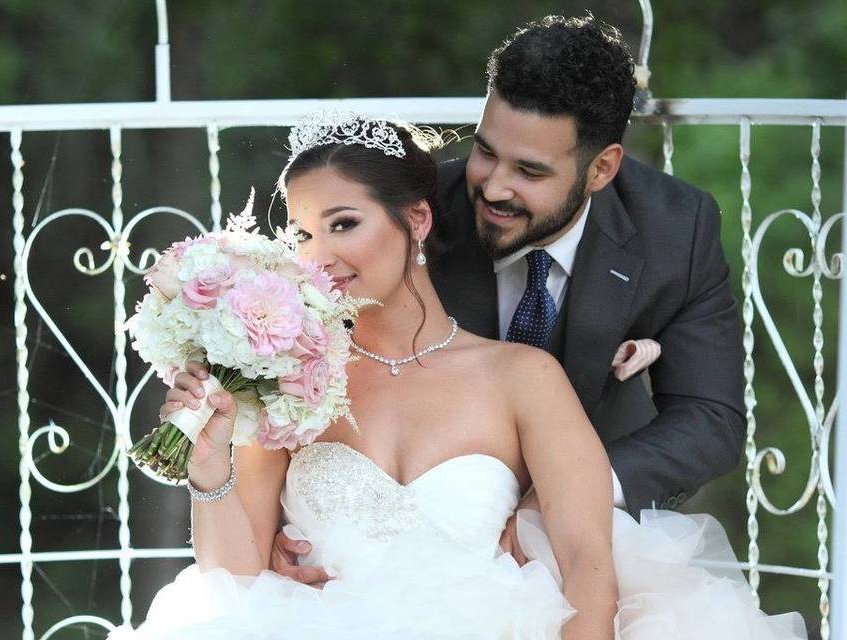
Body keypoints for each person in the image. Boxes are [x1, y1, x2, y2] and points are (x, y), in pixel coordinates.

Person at [109, 113, 806, 639]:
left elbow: (590, 564)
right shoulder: (288, 380)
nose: (318, 255)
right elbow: (234, 585)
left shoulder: (521, 376)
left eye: (342, 223)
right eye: (299, 235)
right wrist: (209, 467)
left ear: (416, 220)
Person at [271, 13, 748, 575]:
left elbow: (710, 418)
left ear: (601, 168)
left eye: (529, 171)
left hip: (594, 536)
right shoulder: (412, 214)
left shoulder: (676, 231)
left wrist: (566, 494)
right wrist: (303, 533)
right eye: (486, 152)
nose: (494, 187)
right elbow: (315, 357)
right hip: (406, 544)